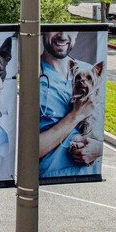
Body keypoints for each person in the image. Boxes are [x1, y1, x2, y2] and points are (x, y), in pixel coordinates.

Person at [39, 31, 103, 178]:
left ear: (76, 34)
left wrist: (98, 149)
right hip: (50, 177)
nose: (62, 35)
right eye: (56, 29)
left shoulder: (90, 71)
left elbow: (99, 123)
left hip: (90, 175)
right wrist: (76, 115)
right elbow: (28, 151)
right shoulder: (32, 75)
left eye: (69, 30)